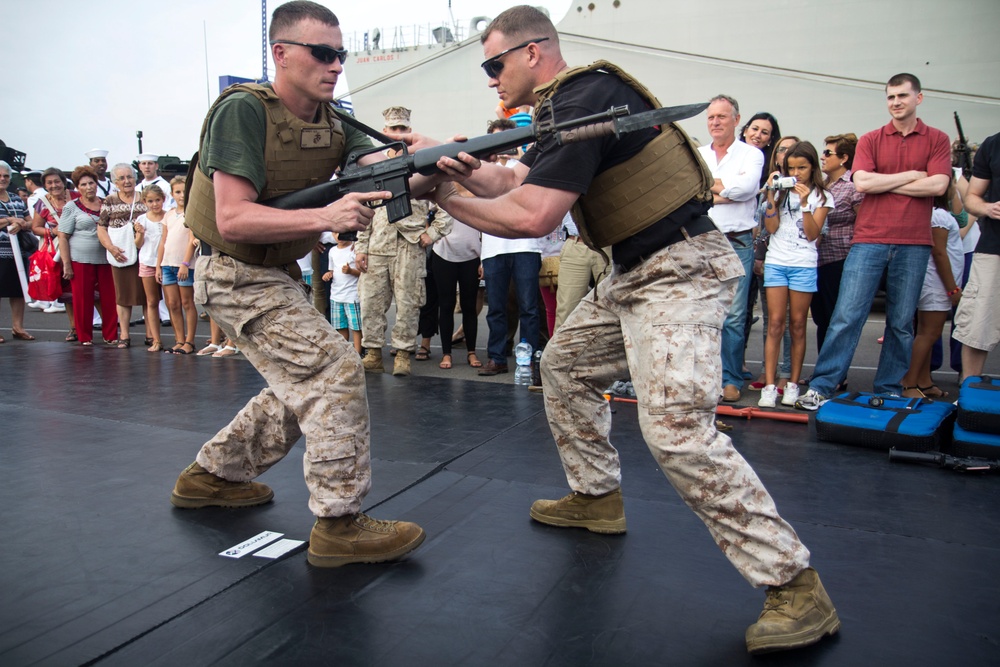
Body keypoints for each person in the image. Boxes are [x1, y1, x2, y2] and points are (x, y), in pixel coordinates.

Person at [415, 5, 838, 653]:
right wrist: (454, 164)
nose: (489, 78)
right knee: (565, 365)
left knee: (675, 428)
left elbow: (532, 215)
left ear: (533, 53)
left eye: (493, 64)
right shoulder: (564, 109)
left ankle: (795, 583)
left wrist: (441, 196)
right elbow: (518, 178)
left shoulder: (585, 96)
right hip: (634, 269)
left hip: (680, 265)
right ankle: (596, 496)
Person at [169, 0, 429, 568]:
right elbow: (234, 217)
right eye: (322, 53)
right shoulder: (242, 112)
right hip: (234, 271)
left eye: (340, 54)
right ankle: (340, 525)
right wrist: (326, 217)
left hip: (275, 272)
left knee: (301, 380)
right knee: (332, 370)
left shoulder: (335, 119)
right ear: (280, 54)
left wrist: (439, 158)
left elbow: (387, 165)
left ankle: (214, 475)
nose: (335, 65)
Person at [796, 73, 951, 409]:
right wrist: (912, 176)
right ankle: (823, 385)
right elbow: (863, 183)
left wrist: (885, 182)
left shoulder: (937, 139)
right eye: (890, 97)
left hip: (914, 241)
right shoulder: (870, 139)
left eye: (902, 96)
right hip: (869, 239)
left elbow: (938, 186)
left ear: (918, 98)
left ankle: (889, 389)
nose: (895, 102)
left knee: (901, 322)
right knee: (846, 316)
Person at [357, 106, 453, 377]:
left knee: (409, 303)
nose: (398, 134)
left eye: (403, 129)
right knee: (371, 302)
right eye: (393, 129)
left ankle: (402, 354)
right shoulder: (373, 165)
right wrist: (361, 247)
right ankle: (373, 352)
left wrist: (431, 234)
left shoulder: (422, 163)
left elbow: (447, 205)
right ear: (384, 132)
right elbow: (366, 209)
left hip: (410, 246)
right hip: (377, 246)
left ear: (409, 131)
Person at [697, 95, 765, 402]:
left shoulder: (751, 155)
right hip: (701, 243)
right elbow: (690, 192)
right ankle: (704, 378)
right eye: (711, 117)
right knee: (701, 314)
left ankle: (731, 379)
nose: (715, 122)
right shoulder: (697, 154)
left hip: (737, 242)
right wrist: (726, 191)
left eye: (722, 117)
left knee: (735, 316)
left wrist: (709, 189)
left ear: (737, 120)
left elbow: (748, 188)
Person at [757, 142, 833, 408]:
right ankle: (769, 386)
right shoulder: (779, 193)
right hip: (777, 262)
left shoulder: (822, 196)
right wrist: (769, 195)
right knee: (775, 323)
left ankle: (792, 385)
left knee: (798, 324)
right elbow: (772, 227)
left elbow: (813, 234)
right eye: (791, 168)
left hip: (803, 264)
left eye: (802, 167)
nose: (797, 173)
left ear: (813, 167)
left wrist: (804, 203)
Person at [900, 181, 964, 397]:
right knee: (930, 333)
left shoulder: (935, 214)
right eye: (952, 183)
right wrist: (952, 289)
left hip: (933, 283)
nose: (955, 187)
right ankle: (909, 383)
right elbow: (939, 253)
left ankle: (924, 381)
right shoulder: (939, 216)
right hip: (936, 283)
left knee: (927, 333)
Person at [954, 130, 1000, 379]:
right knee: (977, 325)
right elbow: (972, 198)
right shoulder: (993, 144)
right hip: (993, 249)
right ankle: (969, 393)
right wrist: (988, 208)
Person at [57, 165, 119, 346]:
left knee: (109, 298)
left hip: (106, 258)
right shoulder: (71, 207)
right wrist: (67, 264)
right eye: (83, 184)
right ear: (77, 187)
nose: (88, 187)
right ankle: (85, 336)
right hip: (80, 259)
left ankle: (111, 335)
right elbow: (62, 236)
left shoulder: (106, 203)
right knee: (82, 299)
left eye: (91, 183)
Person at [814, 134, 864, 355]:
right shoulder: (822, 184)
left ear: (844, 158)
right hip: (818, 258)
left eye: (828, 153)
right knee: (821, 317)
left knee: (835, 316)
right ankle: (821, 371)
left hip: (840, 258)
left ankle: (836, 373)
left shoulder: (853, 185)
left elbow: (863, 223)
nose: (822, 157)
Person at [97, 163, 149, 349]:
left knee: (147, 296)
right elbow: (101, 227)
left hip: (145, 253)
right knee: (122, 296)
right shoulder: (110, 201)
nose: (127, 181)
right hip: (121, 254)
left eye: (130, 177)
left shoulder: (145, 197)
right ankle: (124, 334)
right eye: (122, 178)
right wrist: (111, 247)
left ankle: (150, 334)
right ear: (115, 181)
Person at [31, 168, 79, 330]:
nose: (54, 185)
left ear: (64, 182)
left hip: (83, 249)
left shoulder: (77, 197)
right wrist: (53, 231)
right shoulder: (42, 203)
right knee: (68, 293)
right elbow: (35, 228)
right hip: (60, 253)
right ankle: (74, 328)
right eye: (49, 183)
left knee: (94, 291)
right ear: (44, 185)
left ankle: (105, 325)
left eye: (57, 181)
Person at [157, 177, 198, 355]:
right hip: (167, 265)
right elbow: (163, 241)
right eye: (178, 192)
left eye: (184, 191)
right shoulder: (168, 215)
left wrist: (185, 264)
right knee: (172, 304)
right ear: (172, 194)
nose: (182, 195)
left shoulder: (192, 213)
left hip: (184, 265)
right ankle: (179, 339)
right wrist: (158, 266)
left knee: (187, 302)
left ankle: (189, 341)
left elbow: (192, 241)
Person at [0, 160, 35, 343]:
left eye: (6, 175)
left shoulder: (15, 198)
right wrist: (10, 220)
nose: (3, 179)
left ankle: (17, 327)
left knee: (18, 291)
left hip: (18, 253)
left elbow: (31, 222)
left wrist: (22, 223)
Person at [134, 185, 167, 352]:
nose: (155, 204)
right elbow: (138, 244)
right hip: (147, 262)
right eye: (150, 201)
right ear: (145, 202)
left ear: (163, 199)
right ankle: (156, 339)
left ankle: (180, 338)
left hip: (167, 263)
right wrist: (139, 233)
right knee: (152, 302)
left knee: (172, 302)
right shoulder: (141, 219)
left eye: (157, 200)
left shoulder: (168, 217)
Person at [322, 232, 362, 355]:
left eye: (343, 233)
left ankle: (357, 353)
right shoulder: (332, 251)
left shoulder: (354, 249)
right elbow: (332, 270)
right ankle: (344, 353)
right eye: (335, 233)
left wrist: (351, 271)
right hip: (336, 295)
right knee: (340, 327)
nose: (339, 236)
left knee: (356, 328)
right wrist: (328, 274)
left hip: (352, 296)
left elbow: (362, 273)